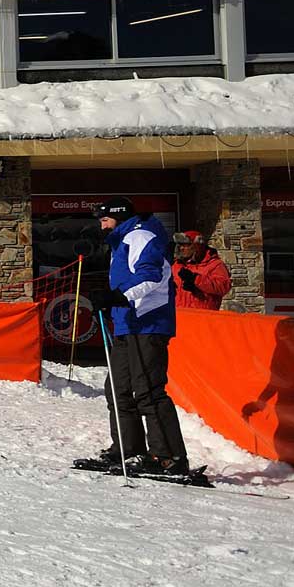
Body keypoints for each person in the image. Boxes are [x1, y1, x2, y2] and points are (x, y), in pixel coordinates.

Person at [78, 197, 190, 475]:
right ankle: (128, 449)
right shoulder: (122, 240)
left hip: (147, 323)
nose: (101, 226)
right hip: (127, 323)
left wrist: (119, 296)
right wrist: (111, 302)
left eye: (105, 220)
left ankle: (169, 457)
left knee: (148, 390)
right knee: (118, 389)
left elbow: (151, 276)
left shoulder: (140, 235)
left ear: (119, 216)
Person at [173, 230, 232, 311]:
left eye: (187, 245)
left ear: (197, 246)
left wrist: (196, 279)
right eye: (180, 245)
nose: (182, 248)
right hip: (179, 314)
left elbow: (224, 286)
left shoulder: (214, 264)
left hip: (203, 315)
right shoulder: (177, 265)